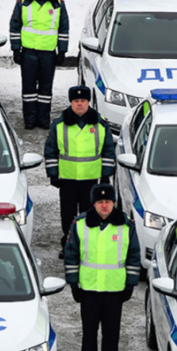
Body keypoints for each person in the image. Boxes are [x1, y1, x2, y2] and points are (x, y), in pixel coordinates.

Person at [64, 184, 141, 351]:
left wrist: (130, 285)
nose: (104, 205)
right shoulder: (80, 225)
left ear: (114, 203)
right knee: (89, 333)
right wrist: (74, 284)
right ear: (94, 204)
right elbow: (71, 255)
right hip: (88, 289)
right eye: (100, 202)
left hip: (114, 291)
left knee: (111, 334)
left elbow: (134, 257)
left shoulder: (126, 226)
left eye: (108, 202)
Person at [45, 85, 116, 259]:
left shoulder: (100, 124)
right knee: (67, 215)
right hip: (67, 179)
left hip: (91, 180)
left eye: (82, 101)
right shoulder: (59, 124)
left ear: (88, 102)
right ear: (71, 102)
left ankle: (87, 247)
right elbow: (51, 149)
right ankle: (69, 245)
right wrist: (53, 174)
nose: (79, 105)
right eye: (76, 101)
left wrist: (106, 174)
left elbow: (108, 150)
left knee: (89, 215)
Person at [9, 0, 69, 130]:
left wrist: (62, 51)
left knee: (45, 89)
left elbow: (63, 28)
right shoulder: (23, 2)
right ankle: (29, 119)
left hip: (48, 53)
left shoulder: (58, 3)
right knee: (28, 88)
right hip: (29, 52)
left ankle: (43, 119)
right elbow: (15, 25)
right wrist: (16, 49)